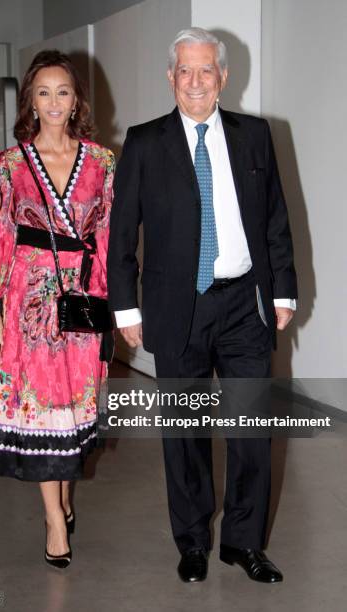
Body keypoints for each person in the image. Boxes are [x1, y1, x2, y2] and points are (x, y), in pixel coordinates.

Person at [107, 28, 297, 583]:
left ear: (223, 77)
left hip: (244, 304)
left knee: (250, 430)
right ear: (171, 78)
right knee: (184, 433)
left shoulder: (255, 136)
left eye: (206, 70)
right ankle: (191, 541)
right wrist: (127, 310)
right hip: (177, 307)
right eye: (185, 71)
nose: (195, 82)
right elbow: (122, 236)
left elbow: (276, 221)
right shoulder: (144, 143)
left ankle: (243, 542)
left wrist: (282, 290)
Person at [0, 50, 114, 568]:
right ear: (30, 102)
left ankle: (63, 501)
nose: (54, 102)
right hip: (28, 301)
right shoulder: (11, 165)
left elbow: (108, 234)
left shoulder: (102, 162)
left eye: (63, 92)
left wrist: (108, 306)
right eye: (43, 93)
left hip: (82, 300)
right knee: (42, 409)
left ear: (75, 98)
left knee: (71, 409)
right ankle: (55, 520)